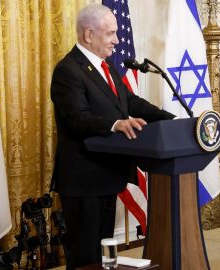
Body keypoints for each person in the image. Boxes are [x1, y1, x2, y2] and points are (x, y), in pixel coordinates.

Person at [50, 4, 174, 269]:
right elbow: (77, 118)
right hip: (83, 180)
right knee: (86, 257)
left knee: (104, 255)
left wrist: (172, 119)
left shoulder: (107, 67)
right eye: (111, 34)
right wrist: (116, 123)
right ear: (89, 35)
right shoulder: (68, 71)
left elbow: (131, 102)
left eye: (117, 33)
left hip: (107, 175)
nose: (117, 40)